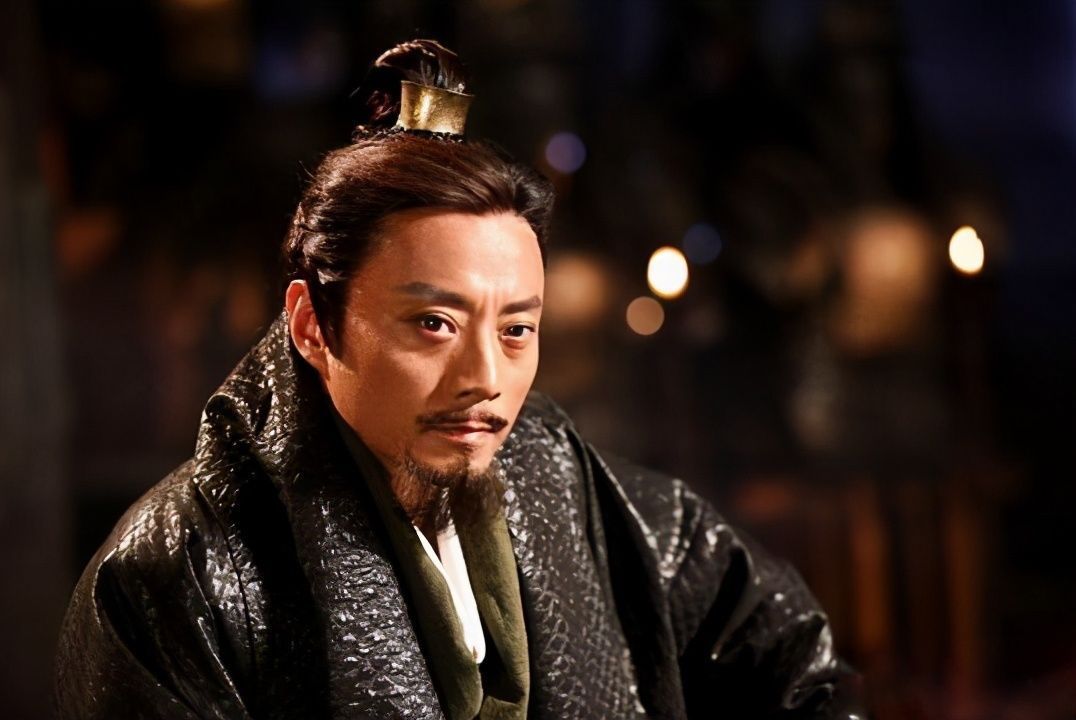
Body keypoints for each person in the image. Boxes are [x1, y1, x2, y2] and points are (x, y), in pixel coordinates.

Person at [55, 40, 867, 719]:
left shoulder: (562, 479)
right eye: (434, 324)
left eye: (516, 330)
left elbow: (786, 647)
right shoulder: (179, 577)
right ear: (311, 324)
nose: (485, 378)